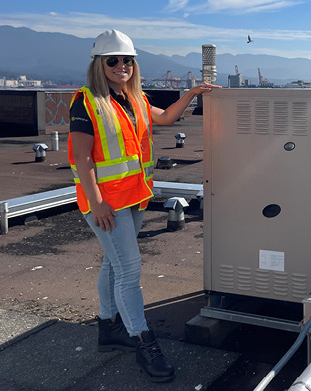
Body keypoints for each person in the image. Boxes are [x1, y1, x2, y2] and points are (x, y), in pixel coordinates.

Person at [68, 29, 219, 383]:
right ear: (98, 64)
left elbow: (165, 118)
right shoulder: (87, 102)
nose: (122, 66)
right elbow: (81, 158)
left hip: (134, 199)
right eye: (113, 60)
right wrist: (98, 203)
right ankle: (142, 339)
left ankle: (108, 328)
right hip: (106, 205)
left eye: (128, 60)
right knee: (130, 270)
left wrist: (193, 93)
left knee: (114, 263)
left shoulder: (132, 99)